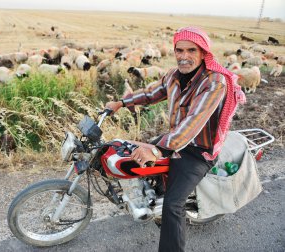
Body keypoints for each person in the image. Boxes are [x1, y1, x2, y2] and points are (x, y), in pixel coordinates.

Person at [105, 26, 246, 252]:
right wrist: (122, 103)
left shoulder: (213, 82)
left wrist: (158, 150)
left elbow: (193, 124)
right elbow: (152, 94)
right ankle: (152, 196)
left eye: (191, 50)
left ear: (203, 53)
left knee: (173, 205)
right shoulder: (173, 75)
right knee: (137, 152)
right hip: (176, 139)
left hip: (198, 148)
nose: (184, 56)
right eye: (179, 50)